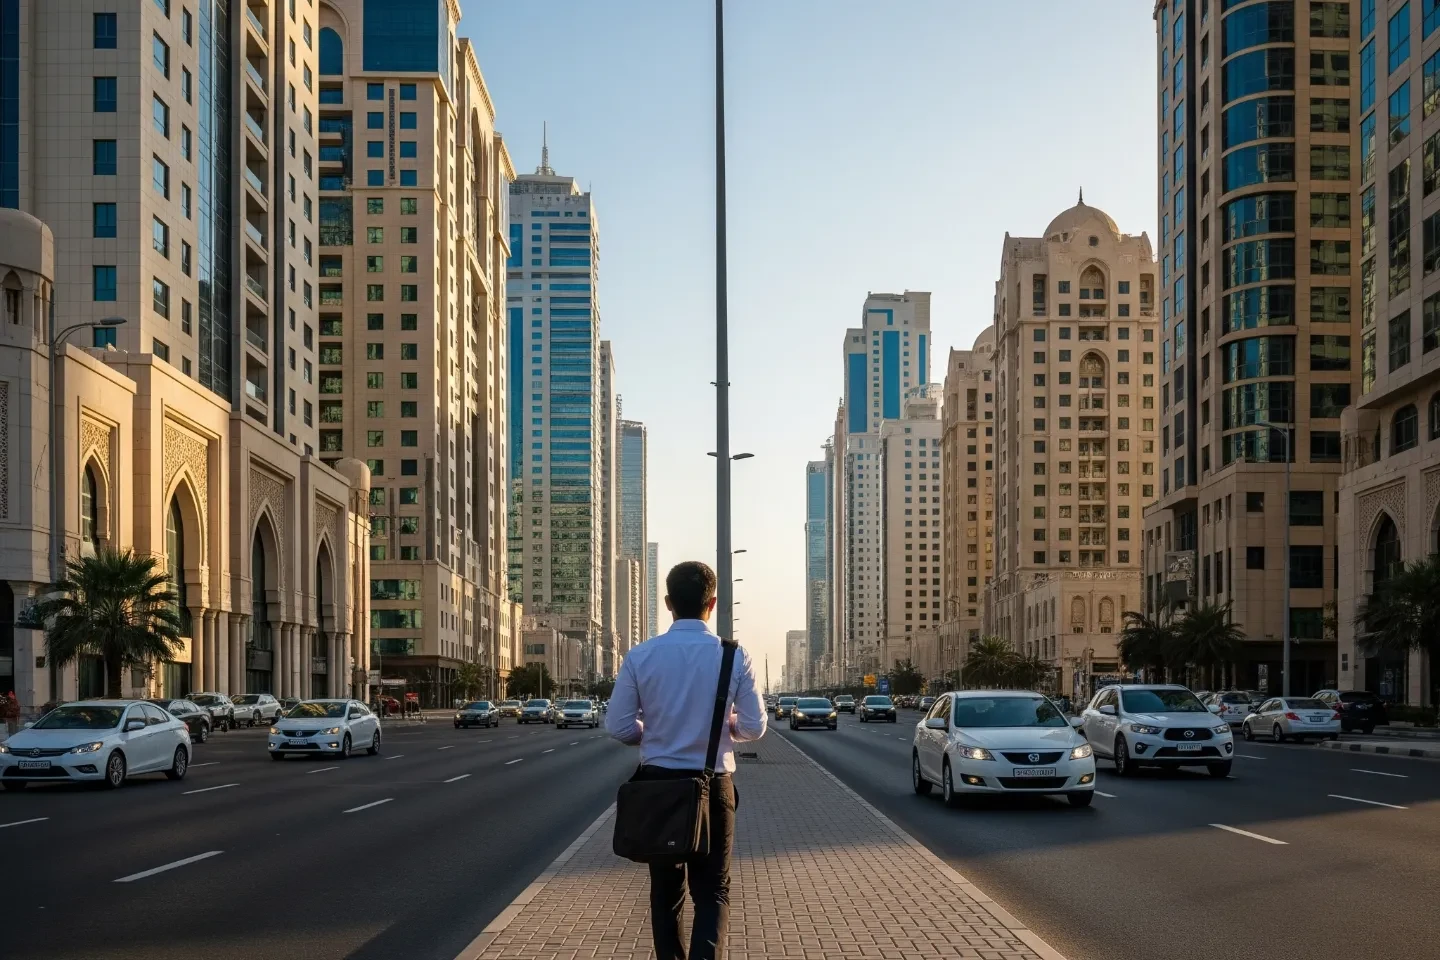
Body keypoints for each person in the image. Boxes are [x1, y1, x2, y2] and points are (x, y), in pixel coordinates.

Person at [605, 560, 767, 960]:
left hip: (658, 786)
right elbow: (755, 726)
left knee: (666, 892)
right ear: (712, 603)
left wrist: (655, 731)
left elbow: (620, 727)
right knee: (712, 891)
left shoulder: (641, 656)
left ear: (667, 603)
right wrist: (725, 726)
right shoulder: (734, 656)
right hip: (713, 787)